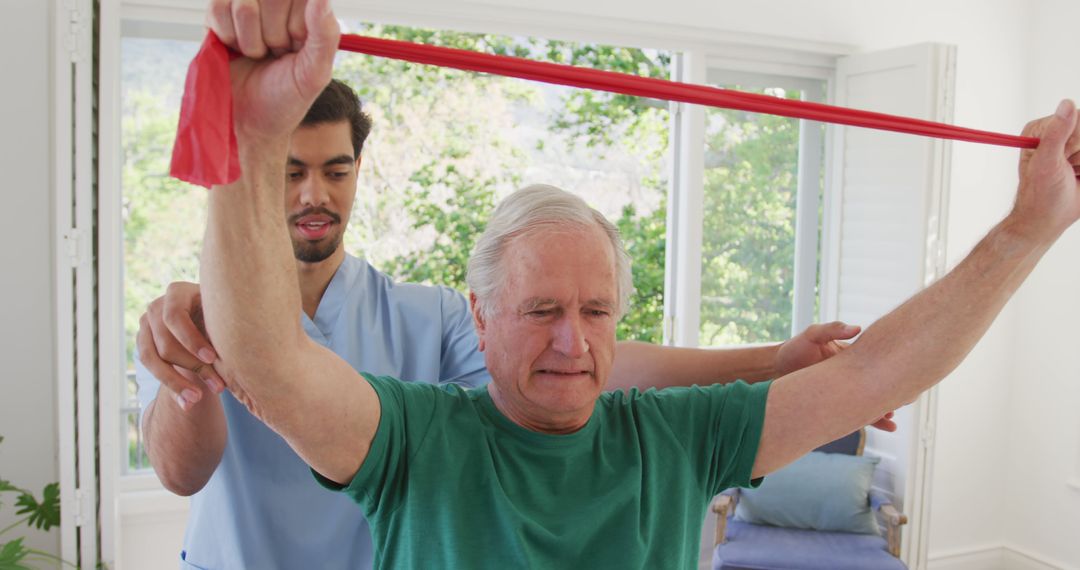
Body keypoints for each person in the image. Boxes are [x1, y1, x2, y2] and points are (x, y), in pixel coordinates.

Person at [191, 0, 1080, 567]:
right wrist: (252, 131)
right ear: (480, 316)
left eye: (596, 310)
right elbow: (266, 361)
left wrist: (1029, 228)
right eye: (541, 310)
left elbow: (876, 371)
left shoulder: (679, 436)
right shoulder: (414, 437)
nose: (574, 342)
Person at [136, 30, 886, 570]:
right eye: (289, 167)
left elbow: (590, 365)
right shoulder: (192, 313)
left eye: (335, 169)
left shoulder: (424, 314)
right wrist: (204, 363)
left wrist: (773, 359)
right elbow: (181, 474)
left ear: (359, 170)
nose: (313, 194)